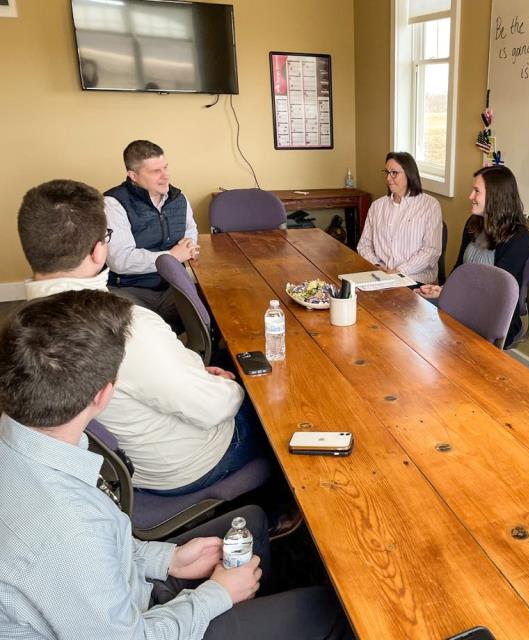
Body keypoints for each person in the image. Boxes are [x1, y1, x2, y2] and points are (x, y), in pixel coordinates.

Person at [0, 290, 348, 639]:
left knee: (251, 522)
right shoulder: (68, 530)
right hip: (140, 627)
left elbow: (101, 551)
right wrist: (217, 595)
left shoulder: (29, 442)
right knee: (330, 611)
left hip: (126, 594)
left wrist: (167, 559)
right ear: (104, 395)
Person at [18, 179, 265, 496]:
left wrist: (191, 373)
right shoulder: (130, 327)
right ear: (98, 251)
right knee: (269, 405)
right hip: (187, 466)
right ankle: (283, 508)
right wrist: (232, 385)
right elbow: (212, 407)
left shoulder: (22, 327)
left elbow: (138, 379)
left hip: (122, 466)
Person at [419, 165, 529, 347]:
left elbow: (496, 291)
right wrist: (444, 289)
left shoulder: (520, 238)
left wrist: (452, 296)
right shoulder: (473, 224)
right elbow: (459, 268)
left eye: (476, 191)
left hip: (492, 315)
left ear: (495, 196)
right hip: (464, 303)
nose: (470, 196)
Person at [104, 139, 200, 331]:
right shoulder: (113, 204)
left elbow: (191, 230)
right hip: (129, 291)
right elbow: (120, 261)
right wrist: (172, 257)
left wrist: (190, 245)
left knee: (215, 311)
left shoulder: (179, 199)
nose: (166, 176)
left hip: (173, 286)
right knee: (139, 332)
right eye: (156, 171)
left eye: (165, 167)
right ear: (133, 175)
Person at [357, 151, 442, 285]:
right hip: (380, 277)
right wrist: (377, 266)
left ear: (409, 174)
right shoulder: (377, 206)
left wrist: (398, 271)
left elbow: (431, 251)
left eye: (394, 173)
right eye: (387, 172)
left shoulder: (430, 206)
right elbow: (364, 245)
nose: (388, 178)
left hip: (415, 280)